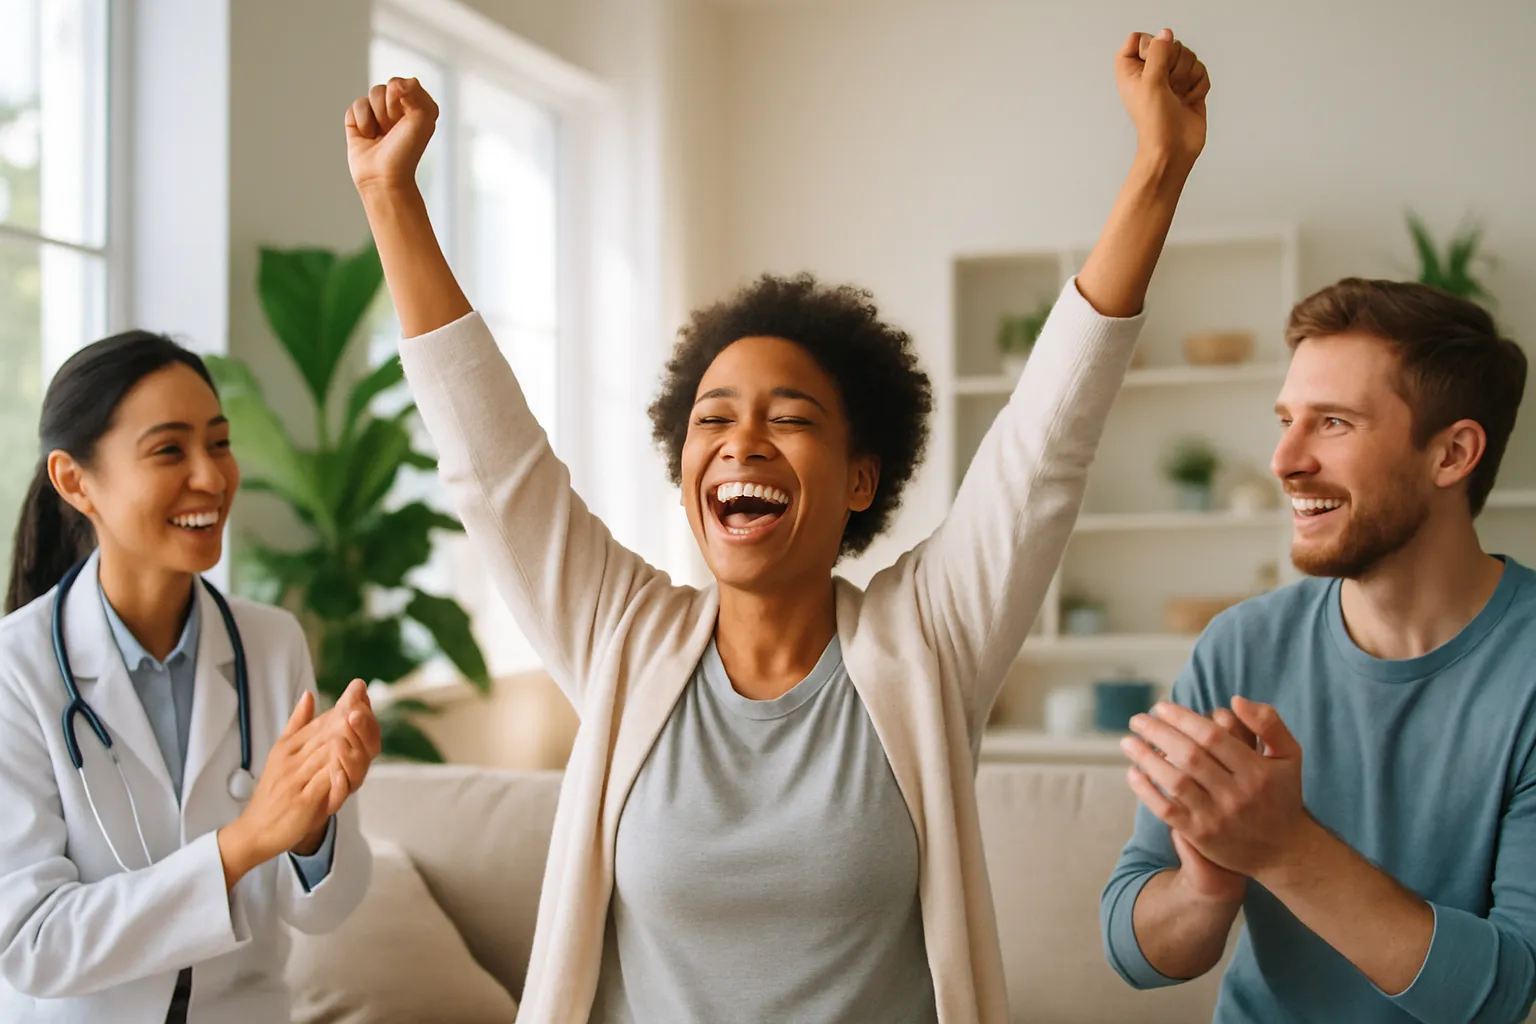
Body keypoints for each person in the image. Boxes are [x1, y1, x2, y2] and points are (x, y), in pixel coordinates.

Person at [347, 26, 1208, 1024]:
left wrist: (1159, 167)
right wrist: (390, 198)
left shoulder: (926, 642)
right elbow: (497, 470)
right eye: (712, 419)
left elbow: (1044, 450)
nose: (742, 441)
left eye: (789, 419)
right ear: (684, 472)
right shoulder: (623, 638)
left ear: (858, 478)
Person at [1100, 278, 1536, 1022]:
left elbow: (1504, 992)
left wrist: (1283, 850)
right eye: (1285, 420)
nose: (1284, 460)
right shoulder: (1242, 643)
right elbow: (1134, 952)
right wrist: (1206, 885)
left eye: (1332, 422)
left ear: (1453, 454)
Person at [0, 331, 382, 1022]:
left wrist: (310, 832)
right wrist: (246, 842)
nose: (211, 476)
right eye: (170, 450)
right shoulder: (14, 672)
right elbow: (31, 942)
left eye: (219, 442)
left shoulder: (271, 643)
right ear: (74, 480)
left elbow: (330, 909)